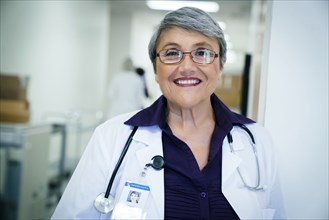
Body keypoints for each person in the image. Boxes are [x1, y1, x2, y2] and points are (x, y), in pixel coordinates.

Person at [51, 7, 286, 220]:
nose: (186, 67)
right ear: (155, 68)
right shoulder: (110, 138)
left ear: (221, 65)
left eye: (202, 52)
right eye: (172, 53)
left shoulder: (258, 142)